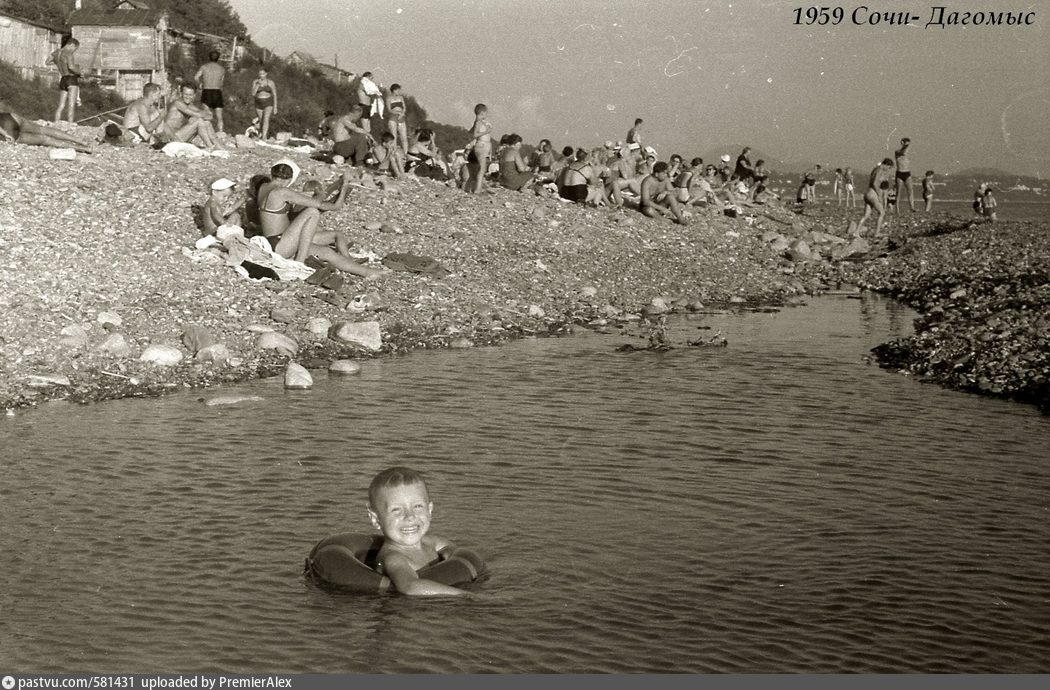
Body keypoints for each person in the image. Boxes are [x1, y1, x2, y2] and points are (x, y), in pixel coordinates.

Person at [256, 162, 385, 279]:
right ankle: (299, 263)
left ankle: (367, 272)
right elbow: (321, 205)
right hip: (280, 244)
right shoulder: (282, 191)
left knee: (326, 252)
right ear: (289, 179)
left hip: (277, 241)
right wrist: (322, 193)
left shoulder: (264, 187)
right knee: (312, 212)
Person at [367, 467, 471, 597]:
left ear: (430, 510)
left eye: (417, 506)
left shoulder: (431, 542)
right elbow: (410, 586)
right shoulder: (393, 558)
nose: (410, 516)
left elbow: (452, 549)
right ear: (376, 519)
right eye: (396, 510)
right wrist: (466, 595)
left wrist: (450, 555)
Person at [0, 103, 94, 153]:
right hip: (8, 117)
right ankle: (82, 142)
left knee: (46, 140)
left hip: (7, 130)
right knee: (42, 129)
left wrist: (5, 134)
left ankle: (83, 148)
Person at [160, 83, 219, 149]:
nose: (188, 97)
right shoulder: (178, 103)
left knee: (206, 122)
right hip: (171, 138)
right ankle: (210, 146)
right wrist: (204, 114)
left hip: (180, 136)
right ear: (181, 93)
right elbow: (198, 115)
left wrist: (206, 114)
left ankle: (219, 146)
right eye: (185, 94)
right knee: (199, 120)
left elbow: (210, 116)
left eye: (190, 95)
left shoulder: (190, 105)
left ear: (194, 95)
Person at [857, 158, 895, 236]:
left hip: (868, 193)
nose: (888, 169)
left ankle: (856, 231)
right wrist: (879, 195)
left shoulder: (875, 169)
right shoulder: (880, 170)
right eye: (889, 167)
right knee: (882, 213)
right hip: (873, 194)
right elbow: (875, 183)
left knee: (866, 215)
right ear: (886, 165)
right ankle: (876, 233)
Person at [195, 50, 227, 134]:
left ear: (209, 57)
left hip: (207, 90)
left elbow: (196, 77)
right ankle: (221, 132)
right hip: (217, 92)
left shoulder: (204, 67)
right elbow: (221, 83)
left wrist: (200, 84)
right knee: (219, 116)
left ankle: (207, 132)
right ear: (218, 58)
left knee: (207, 114)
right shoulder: (222, 69)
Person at [53, 37, 81, 124]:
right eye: (75, 49)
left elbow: (47, 62)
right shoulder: (69, 53)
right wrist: (80, 73)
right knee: (71, 106)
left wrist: (59, 63)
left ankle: (56, 124)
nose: (74, 51)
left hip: (63, 79)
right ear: (72, 45)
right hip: (71, 79)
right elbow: (71, 67)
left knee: (61, 106)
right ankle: (70, 125)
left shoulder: (56, 52)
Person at [465, 103, 492, 194]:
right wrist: (486, 131)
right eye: (486, 113)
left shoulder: (477, 122)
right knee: (482, 168)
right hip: (481, 146)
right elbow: (475, 135)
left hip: (483, 146)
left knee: (481, 168)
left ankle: (471, 187)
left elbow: (470, 132)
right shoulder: (478, 122)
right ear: (483, 113)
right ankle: (477, 189)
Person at [251, 68, 277, 141]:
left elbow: (274, 94)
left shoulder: (270, 82)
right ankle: (261, 133)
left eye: (263, 74)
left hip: (268, 102)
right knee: (261, 120)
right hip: (258, 102)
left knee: (266, 118)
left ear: (266, 74)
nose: (261, 75)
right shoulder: (255, 82)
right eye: (260, 74)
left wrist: (275, 107)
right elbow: (253, 94)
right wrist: (257, 85)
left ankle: (264, 136)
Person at [385, 83, 409, 152]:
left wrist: (402, 113)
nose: (399, 92)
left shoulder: (401, 97)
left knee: (404, 137)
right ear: (394, 90)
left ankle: (405, 153)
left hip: (401, 117)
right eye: (398, 90)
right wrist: (397, 113)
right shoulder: (389, 98)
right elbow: (389, 109)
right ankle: (394, 151)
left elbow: (404, 107)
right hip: (393, 117)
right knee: (394, 136)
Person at [894, 137, 915, 212]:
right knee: (898, 192)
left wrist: (907, 145)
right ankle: (897, 209)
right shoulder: (897, 152)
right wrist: (906, 145)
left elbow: (905, 151)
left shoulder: (906, 151)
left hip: (907, 172)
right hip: (900, 172)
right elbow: (901, 152)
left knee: (910, 190)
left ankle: (912, 207)